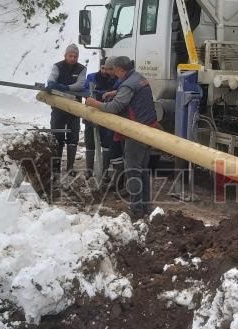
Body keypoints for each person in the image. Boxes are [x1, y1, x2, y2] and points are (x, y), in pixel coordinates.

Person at [85, 56, 159, 219]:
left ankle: (135, 209)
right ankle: (146, 206)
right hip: (149, 129)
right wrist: (116, 92)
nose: (113, 73)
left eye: (114, 70)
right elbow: (130, 93)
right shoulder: (138, 78)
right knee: (143, 169)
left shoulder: (128, 84)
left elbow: (114, 107)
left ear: (119, 70)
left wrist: (93, 103)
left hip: (135, 132)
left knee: (133, 170)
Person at [46, 44, 87, 173]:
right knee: (57, 136)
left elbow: (80, 84)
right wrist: (52, 84)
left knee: (73, 138)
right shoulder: (57, 66)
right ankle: (56, 166)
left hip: (74, 109)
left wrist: (67, 88)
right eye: (70, 56)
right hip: (58, 108)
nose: (73, 58)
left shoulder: (81, 69)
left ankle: (70, 167)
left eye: (75, 56)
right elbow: (51, 78)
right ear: (65, 55)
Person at [82, 59, 118, 177]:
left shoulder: (114, 79)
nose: (104, 71)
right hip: (91, 113)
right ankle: (89, 170)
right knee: (90, 141)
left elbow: (115, 93)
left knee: (106, 143)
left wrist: (100, 93)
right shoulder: (92, 77)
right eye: (103, 68)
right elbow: (87, 90)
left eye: (107, 69)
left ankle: (104, 171)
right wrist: (102, 93)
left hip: (106, 115)